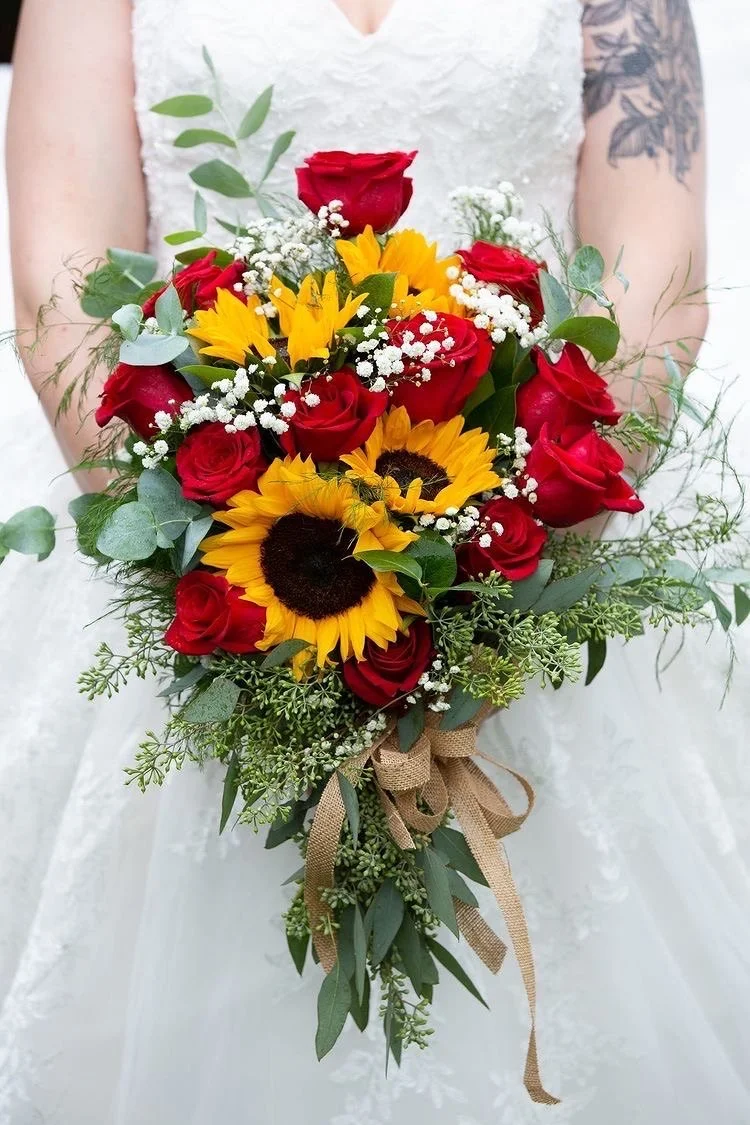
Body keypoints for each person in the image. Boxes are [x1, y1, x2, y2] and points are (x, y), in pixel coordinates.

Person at [1, 1, 749, 1122]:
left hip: (534, 554)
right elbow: (63, 284)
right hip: (213, 563)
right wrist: (224, 570)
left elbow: (657, 267)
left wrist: (509, 548)